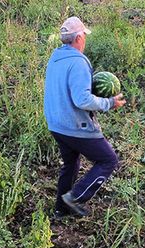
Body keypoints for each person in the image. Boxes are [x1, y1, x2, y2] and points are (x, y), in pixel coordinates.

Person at [44, 16, 126, 218]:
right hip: (75, 126)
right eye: (84, 36)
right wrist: (109, 103)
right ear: (79, 37)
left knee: (70, 164)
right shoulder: (78, 62)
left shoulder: (56, 58)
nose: (85, 40)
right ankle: (76, 197)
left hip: (56, 124)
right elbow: (81, 100)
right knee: (108, 160)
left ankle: (60, 211)